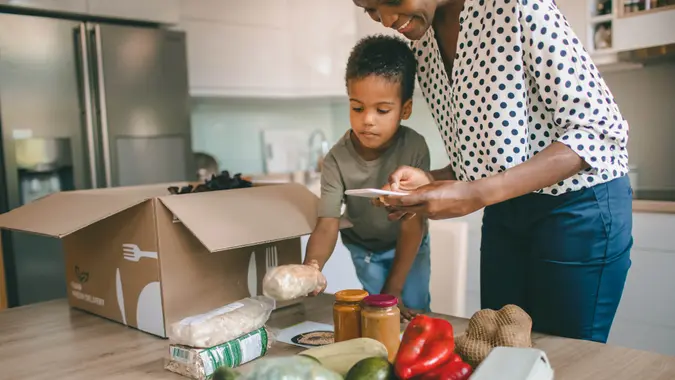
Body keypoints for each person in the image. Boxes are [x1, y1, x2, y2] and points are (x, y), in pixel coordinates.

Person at [353, 0, 633, 343]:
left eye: (391, 1)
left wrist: (475, 193)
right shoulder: (422, 41)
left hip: (577, 208)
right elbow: (490, 156)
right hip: (506, 212)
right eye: (370, 9)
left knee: (566, 359)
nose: (386, 19)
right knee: (498, 347)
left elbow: (597, 132)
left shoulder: (517, 6)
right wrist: (434, 180)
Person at [303, 34, 432, 320]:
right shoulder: (336, 159)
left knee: (413, 309)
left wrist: (395, 287)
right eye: (357, 107)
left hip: (408, 242)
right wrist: (312, 267)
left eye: (382, 110)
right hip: (363, 248)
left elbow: (413, 226)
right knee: (376, 315)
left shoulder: (414, 148)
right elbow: (327, 224)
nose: (367, 120)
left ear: (405, 109)